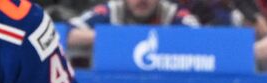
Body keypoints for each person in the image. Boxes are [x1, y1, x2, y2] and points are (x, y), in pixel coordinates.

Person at [66, 0, 201, 65]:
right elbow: (66, 33)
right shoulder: (111, 11)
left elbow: (203, 39)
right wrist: (111, 37)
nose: (142, 1)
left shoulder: (172, 13)